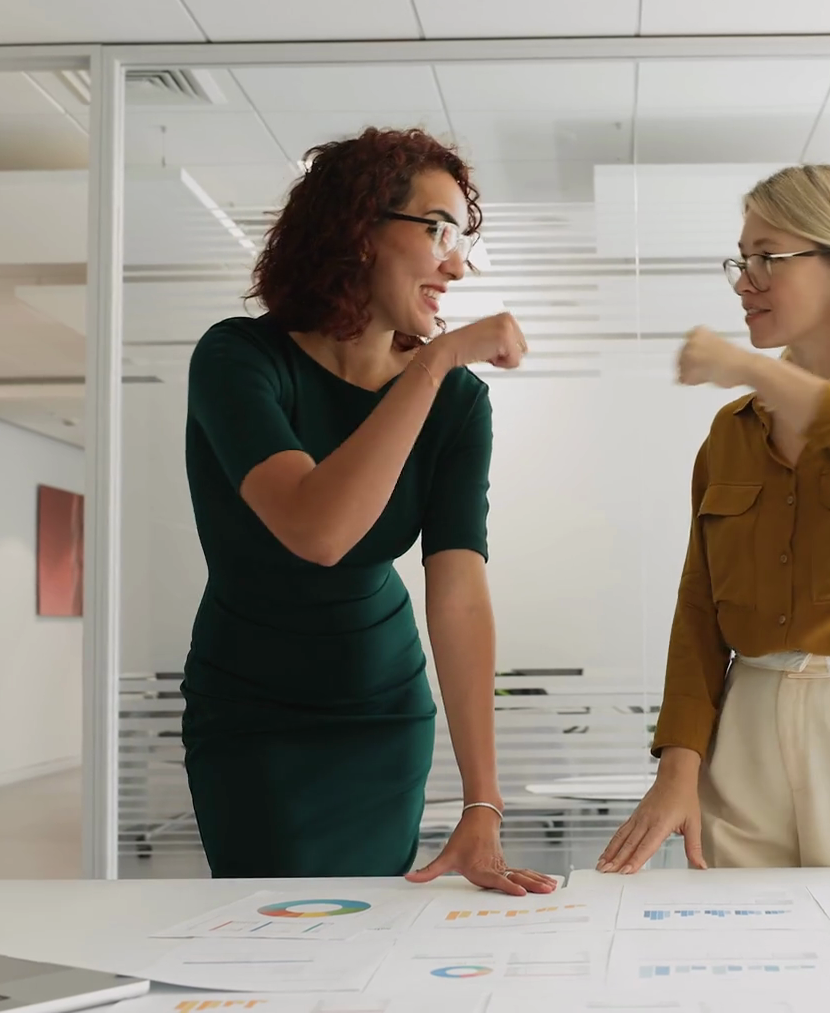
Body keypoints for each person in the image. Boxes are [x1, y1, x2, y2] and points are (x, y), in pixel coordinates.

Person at [181, 127, 556, 895]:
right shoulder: (239, 359)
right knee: (271, 924)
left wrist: (482, 800)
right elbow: (318, 529)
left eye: (461, 238)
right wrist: (436, 360)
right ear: (358, 229)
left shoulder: (457, 402)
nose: (457, 264)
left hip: (382, 709)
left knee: (371, 927)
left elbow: (459, 592)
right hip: (252, 709)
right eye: (438, 229)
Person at [598, 164, 830, 872]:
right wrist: (677, 767)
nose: (745, 282)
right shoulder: (732, 431)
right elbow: (699, 611)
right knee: (740, 931)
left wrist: (761, 370)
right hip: (748, 722)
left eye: (768, 258)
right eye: (741, 260)